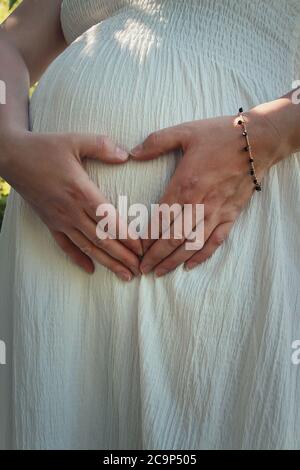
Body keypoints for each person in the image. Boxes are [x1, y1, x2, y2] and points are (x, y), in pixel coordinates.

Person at [0, 0, 299, 450]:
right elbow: (10, 44)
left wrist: (267, 134)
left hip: (238, 216)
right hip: (52, 247)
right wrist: (7, 145)